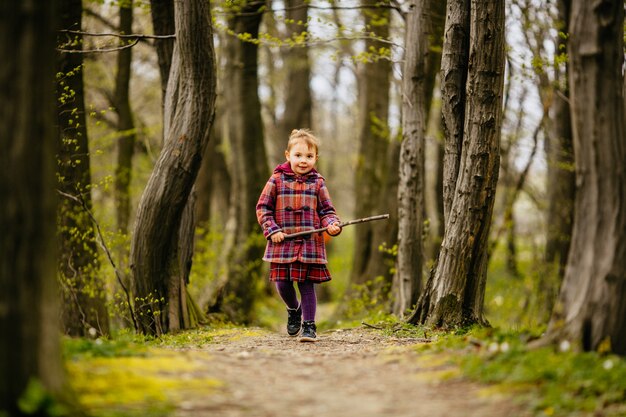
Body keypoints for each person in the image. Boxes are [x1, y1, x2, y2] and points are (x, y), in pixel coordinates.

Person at [256, 129, 341, 342]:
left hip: (309, 242)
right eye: (298, 155)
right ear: (288, 155)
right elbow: (263, 208)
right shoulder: (276, 180)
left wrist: (332, 224)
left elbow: (326, 211)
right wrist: (272, 230)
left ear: (316, 158)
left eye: (309, 156)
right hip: (282, 241)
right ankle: (294, 309)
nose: (304, 161)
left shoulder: (318, 183)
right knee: (282, 284)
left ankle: (309, 326)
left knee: (306, 284)